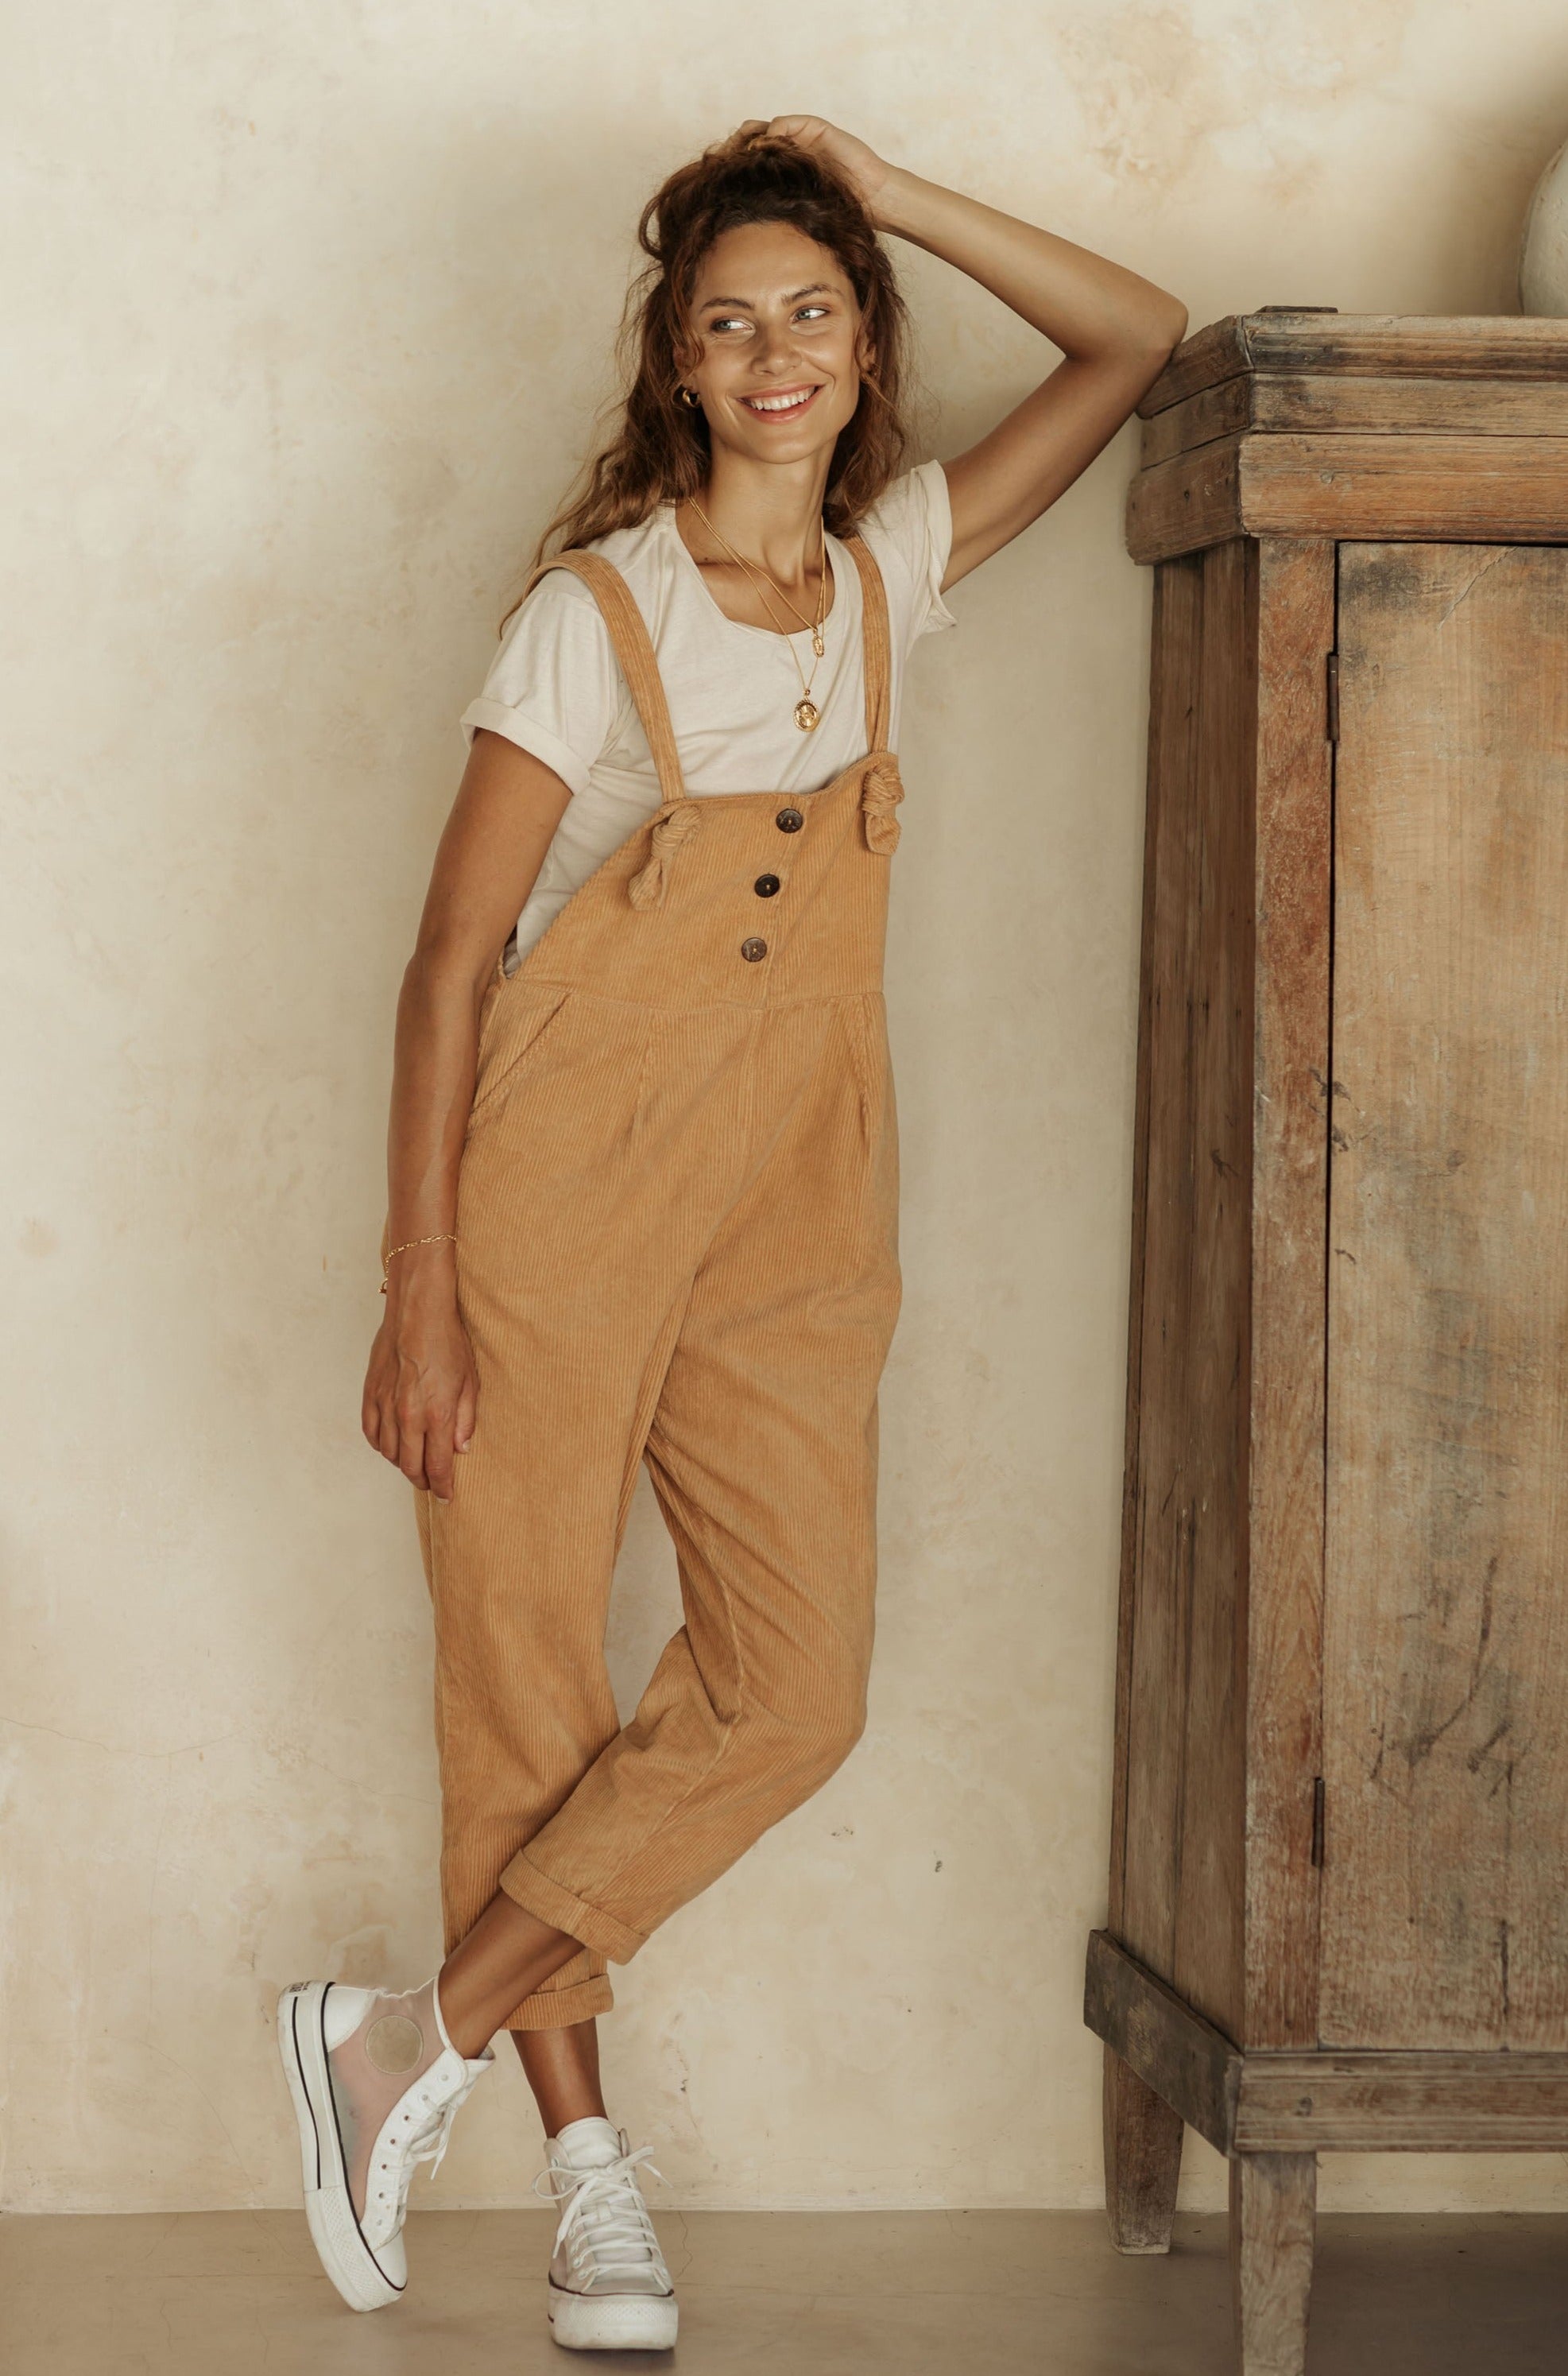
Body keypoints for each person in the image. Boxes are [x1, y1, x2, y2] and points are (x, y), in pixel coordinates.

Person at [277, 114, 1186, 2351]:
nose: (773, 350)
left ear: (866, 339)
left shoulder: (894, 569)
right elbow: (447, 960)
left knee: (795, 1685)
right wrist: (418, 1286)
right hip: (557, 1193)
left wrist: (885, 184)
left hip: (800, 1201)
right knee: (527, 1675)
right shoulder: (595, 617)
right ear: (676, 369)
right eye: (726, 322)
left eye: (812, 308)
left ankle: (414, 2036)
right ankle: (587, 2171)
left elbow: (1139, 334)